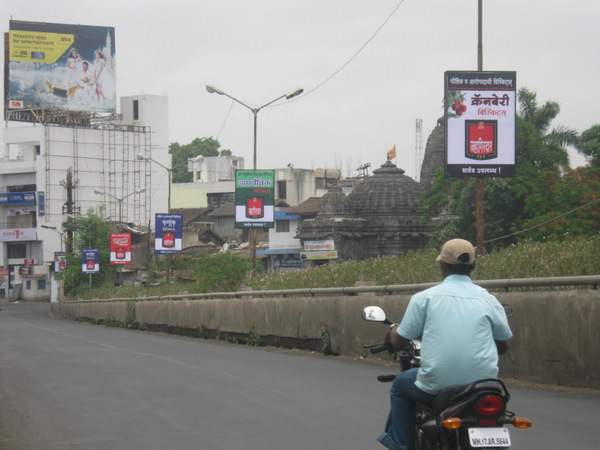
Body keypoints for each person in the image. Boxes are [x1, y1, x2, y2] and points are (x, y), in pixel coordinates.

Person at [377, 238, 513, 450]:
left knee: (400, 386)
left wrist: (393, 330)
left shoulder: (425, 298)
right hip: (483, 385)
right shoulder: (490, 300)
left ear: (443, 265)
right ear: (473, 266)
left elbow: (400, 339)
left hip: (437, 383)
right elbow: (502, 347)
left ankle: (401, 445)